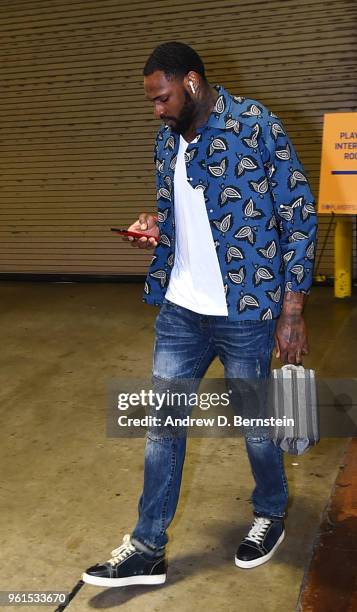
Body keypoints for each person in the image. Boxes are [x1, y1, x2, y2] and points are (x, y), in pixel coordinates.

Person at [82, 41, 317, 587]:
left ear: (190, 83)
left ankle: (270, 512)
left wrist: (293, 309)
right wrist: (156, 227)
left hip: (246, 308)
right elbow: (180, 212)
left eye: (161, 98)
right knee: (161, 428)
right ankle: (146, 547)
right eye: (152, 102)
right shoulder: (167, 142)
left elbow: (299, 215)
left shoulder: (254, 124)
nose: (156, 110)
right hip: (182, 308)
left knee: (257, 427)